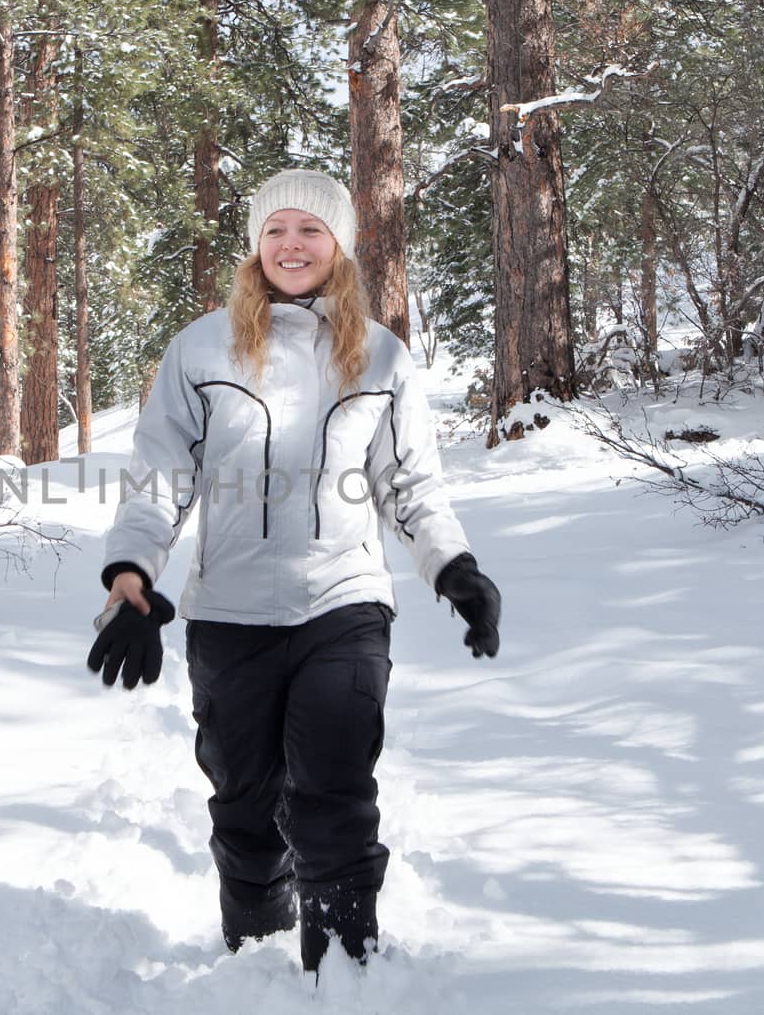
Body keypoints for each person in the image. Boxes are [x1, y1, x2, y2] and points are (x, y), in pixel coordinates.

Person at [87, 168, 502, 973]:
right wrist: (131, 576)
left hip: (343, 604)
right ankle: (254, 956)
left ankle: (345, 970)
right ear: (255, 245)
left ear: (339, 245)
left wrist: (454, 568)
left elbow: (410, 485)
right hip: (230, 614)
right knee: (244, 809)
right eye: (276, 229)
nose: (292, 244)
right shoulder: (201, 348)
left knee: (335, 796)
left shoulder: (381, 355)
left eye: (311, 230)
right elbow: (158, 477)